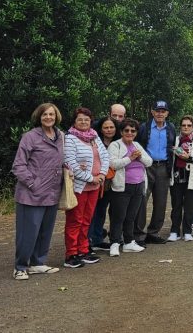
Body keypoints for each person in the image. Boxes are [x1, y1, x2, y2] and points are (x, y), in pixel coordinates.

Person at [11, 103, 65, 280]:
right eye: (44, 115)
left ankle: (38, 263)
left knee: (45, 231)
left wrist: (68, 168)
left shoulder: (61, 136)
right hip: (31, 194)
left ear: (56, 116)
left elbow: (60, 160)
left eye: (51, 114)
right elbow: (18, 166)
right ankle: (20, 266)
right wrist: (33, 184)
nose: (48, 117)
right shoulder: (30, 137)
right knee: (28, 232)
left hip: (52, 192)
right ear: (39, 117)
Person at [62, 107, 109, 268]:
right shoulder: (70, 138)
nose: (83, 122)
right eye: (80, 119)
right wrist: (92, 178)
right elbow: (71, 163)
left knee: (87, 219)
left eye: (87, 119)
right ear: (74, 122)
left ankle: (83, 250)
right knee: (75, 220)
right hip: (79, 186)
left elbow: (104, 157)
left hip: (95, 186)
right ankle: (71, 254)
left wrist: (102, 175)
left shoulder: (94, 137)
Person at [107, 118, 153, 257]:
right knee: (118, 216)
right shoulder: (115, 145)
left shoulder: (137, 145)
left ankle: (128, 242)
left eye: (133, 130)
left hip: (139, 185)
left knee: (131, 216)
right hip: (122, 186)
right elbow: (113, 164)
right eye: (126, 130)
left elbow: (149, 162)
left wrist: (139, 158)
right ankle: (114, 243)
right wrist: (130, 158)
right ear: (121, 131)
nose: (130, 133)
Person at [135, 100, 177, 246]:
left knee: (161, 202)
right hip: (146, 167)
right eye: (157, 111)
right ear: (152, 112)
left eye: (163, 111)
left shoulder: (171, 128)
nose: (160, 113)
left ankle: (153, 232)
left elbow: (173, 147)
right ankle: (138, 235)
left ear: (167, 113)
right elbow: (137, 145)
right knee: (141, 201)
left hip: (163, 167)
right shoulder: (143, 127)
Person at [88, 116, 119, 252]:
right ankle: (89, 241)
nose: (109, 130)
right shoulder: (94, 142)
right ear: (100, 129)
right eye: (106, 127)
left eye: (111, 127)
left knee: (102, 211)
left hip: (115, 183)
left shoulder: (120, 142)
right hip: (98, 182)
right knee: (94, 212)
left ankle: (98, 239)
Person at [167, 115, 193, 242]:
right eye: (184, 125)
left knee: (189, 206)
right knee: (176, 205)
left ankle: (188, 231)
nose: (186, 127)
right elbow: (169, 152)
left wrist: (188, 158)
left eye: (189, 125)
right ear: (180, 126)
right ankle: (174, 231)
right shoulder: (175, 140)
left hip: (192, 178)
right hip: (177, 176)